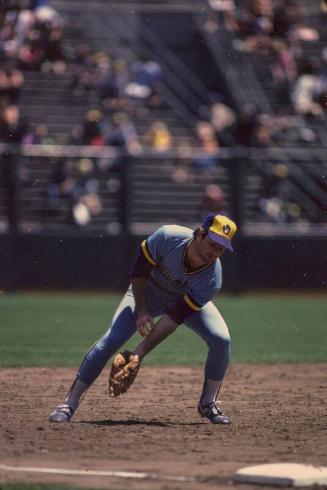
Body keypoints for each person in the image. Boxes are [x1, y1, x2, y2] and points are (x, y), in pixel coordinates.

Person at [49, 213, 237, 425]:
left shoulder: (213, 278)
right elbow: (139, 272)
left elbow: (174, 317)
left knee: (222, 340)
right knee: (110, 341)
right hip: (146, 292)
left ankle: (208, 403)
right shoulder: (168, 237)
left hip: (182, 300)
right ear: (200, 234)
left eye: (221, 248)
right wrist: (141, 310)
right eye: (212, 244)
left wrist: (139, 353)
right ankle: (69, 403)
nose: (214, 252)